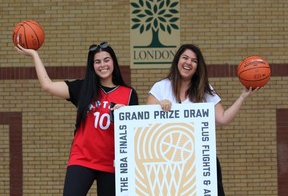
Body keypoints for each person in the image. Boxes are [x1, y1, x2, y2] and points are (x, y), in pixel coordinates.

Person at [15, 42, 139, 196]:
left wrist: (125, 115)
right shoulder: (83, 88)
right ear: (92, 66)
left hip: (113, 164)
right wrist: (34, 55)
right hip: (82, 159)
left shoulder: (128, 94)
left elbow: (136, 133)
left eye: (106, 60)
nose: (103, 65)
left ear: (113, 62)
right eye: (97, 61)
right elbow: (47, 85)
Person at [146, 44, 259, 196]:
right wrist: (159, 106)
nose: (188, 63)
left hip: (203, 160)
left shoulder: (205, 90)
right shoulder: (160, 87)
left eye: (194, 61)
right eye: (185, 58)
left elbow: (223, 118)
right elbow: (146, 121)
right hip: (171, 162)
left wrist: (242, 97)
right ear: (177, 60)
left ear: (197, 66)